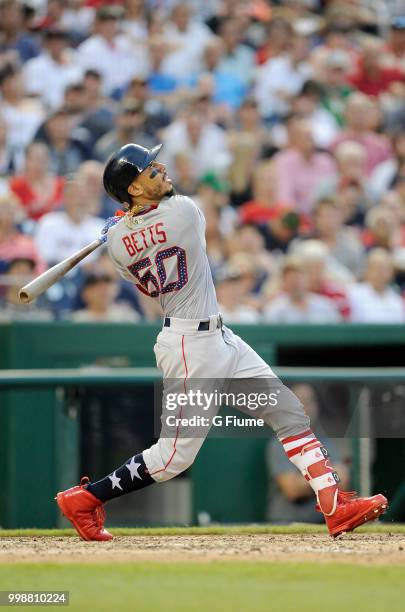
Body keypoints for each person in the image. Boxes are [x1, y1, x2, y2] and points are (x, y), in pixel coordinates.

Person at [55, 142, 387, 541]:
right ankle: (86, 498)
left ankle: (334, 505)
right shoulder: (184, 212)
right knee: (172, 459)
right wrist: (128, 219)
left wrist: (124, 224)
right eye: (148, 170)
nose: (160, 168)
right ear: (136, 190)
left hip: (216, 336)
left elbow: (138, 246)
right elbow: (163, 213)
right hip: (190, 347)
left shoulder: (117, 247)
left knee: (288, 412)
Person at [266, 383, 349, 524]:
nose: (305, 407)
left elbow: (343, 483)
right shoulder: (279, 444)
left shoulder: (324, 441)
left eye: (309, 401)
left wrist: (309, 479)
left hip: (324, 524)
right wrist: (328, 478)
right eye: (298, 402)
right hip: (287, 525)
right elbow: (293, 490)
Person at [263, 256, 341, 324]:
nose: (296, 284)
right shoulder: (275, 309)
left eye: (299, 279)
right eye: (291, 280)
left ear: (308, 279)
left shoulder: (325, 306)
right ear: (284, 282)